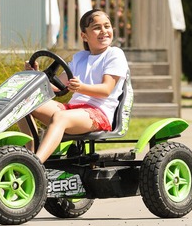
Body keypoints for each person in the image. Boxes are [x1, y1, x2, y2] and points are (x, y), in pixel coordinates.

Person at [25, 8, 128, 163]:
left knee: (60, 117)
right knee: (24, 104)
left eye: (107, 26)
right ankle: (29, 154)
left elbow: (106, 90)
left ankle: (35, 164)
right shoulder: (80, 57)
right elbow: (57, 86)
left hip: (99, 113)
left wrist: (81, 87)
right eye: (97, 28)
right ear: (84, 36)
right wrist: (36, 75)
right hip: (74, 111)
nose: (104, 31)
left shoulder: (114, 54)